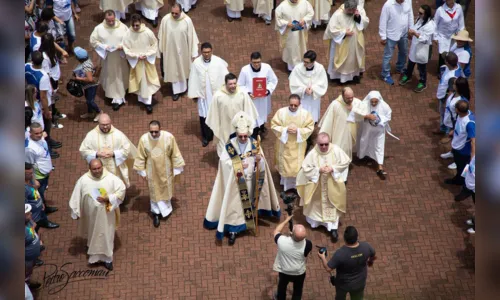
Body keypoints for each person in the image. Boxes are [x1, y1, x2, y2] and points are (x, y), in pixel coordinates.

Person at [204, 112, 281, 245]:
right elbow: (223, 163)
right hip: (235, 184)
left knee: (251, 202)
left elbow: (262, 164)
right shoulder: (230, 146)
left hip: (251, 181)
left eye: (246, 136)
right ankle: (234, 230)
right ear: (237, 134)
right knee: (236, 206)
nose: (244, 138)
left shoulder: (254, 144)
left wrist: (259, 160)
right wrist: (237, 165)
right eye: (241, 136)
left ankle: (250, 222)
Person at [69, 159, 126, 271]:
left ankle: (107, 259)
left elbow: (122, 190)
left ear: (102, 166)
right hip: (91, 216)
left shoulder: (110, 178)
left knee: (106, 236)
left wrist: (108, 198)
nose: (97, 171)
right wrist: (76, 211)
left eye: (99, 168)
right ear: (90, 169)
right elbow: (76, 196)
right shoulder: (83, 180)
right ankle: (94, 255)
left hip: (107, 216)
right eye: (94, 169)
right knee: (92, 234)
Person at [296, 133, 351, 242]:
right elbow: (305, 168)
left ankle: (333, 228)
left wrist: (333, 168)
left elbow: (346, 161)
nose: (324, 147)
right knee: (317, 205)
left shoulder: (335, 150)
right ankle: (316, 223)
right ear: (317, 143)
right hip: (318, 186)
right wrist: (318, 170)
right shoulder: (313, 153)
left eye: (326, 144)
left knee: (332, 204)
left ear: (329, 142)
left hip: (332, 184)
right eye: (321, 145)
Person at [134, 120, 185, 228]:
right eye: (151, 132)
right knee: (154, 192)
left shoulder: (168, 137)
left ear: (160, 129)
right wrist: (142, 172)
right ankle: (156, 213)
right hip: (151, 171)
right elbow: (140, 156)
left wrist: (176, 168)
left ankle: (166, 209)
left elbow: (175, 152)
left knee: (165, 189)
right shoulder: (144, 139)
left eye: (156, 132)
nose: (153, 134)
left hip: (166, 170)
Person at [206, 73, 259, 156]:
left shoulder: (242, 94)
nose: (233, 86)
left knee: (240, 149)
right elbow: (214, 114)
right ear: (226, 84)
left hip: (239, 127)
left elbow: (249, 112)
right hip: (225, 128)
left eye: (234, 83)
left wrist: (247, 126)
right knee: (225, 150)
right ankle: (226, 166)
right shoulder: (218, 96)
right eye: (230, 84)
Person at [79, 113, 138, 189]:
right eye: (103, 125)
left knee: (117, 186)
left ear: (111, 122)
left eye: (107, 124)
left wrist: (114, 154)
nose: (105, 127)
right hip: (99, 168)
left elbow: (127, 149)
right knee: (101, 187)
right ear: (99, 123)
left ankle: (118, 200)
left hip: (115, 167)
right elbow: (83, 150)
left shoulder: (118, 134)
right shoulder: (91, 135)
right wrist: (97, 154)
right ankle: (104, 200)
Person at [187, 42, 229, 147]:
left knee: (217, 115)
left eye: (208, 52)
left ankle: (217, 134)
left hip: (215, 94)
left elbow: (225, 75)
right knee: (204, 116)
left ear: (212, 51)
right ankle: (206, 137)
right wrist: (194, 94)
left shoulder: (218, 62)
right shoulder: (196, 63)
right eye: (204, 52)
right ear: (201, 52)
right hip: (203, 96)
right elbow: (193, 78)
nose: (206, 54)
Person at [318, 226, 376, 300]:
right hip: (360, 282)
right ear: (357, 237)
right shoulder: (366, 247)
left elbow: (328, 268)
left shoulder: (340, 253)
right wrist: (370, 262)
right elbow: (373, 254)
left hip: (343, 284)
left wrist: (322, 257)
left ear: (345, 239)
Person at [271, 94, 314, 191]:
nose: (293, 107)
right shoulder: (281, 113)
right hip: (284, 145)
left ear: (300, 104)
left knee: (297, 166)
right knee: (285, 166)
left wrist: (298, 131)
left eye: (295, 105)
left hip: (298, 146)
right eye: (291, 105)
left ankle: (295, 186)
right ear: (288, 103)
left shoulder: (305, 114)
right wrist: (285, 130)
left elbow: (310, 127)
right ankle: (286, 185)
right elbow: (274, 125)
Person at [318, 87, 363, 181]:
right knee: (337, 155)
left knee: (345, 155)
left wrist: (354, 109)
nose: (351, 100)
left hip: (348, 135)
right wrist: (324, 135)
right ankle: (337, 176)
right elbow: (328, 121)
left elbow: (363, 114)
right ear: (342, 96)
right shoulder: (335, 105)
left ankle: (343, 177)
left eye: (352, 97)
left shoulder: (356, 103)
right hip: (337, 135)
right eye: (348, 98)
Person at [158, 3, 199, 101]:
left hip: (184, 51)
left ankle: (186, 86)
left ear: (181, 11)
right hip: (170, 51)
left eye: (176, 13)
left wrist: (193, 53)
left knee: (184, 68)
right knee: (173, 69)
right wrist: (161, 50)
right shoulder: (166, 20)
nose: (174, 15)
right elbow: (161, 36)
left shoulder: (187, 21)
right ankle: (176, 91)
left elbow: (192, 38)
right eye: (172, 13)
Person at [90, 10, 130, 111]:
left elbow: (129, 39)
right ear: (105, 19)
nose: (111, 23)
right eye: (109, 21)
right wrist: (104, 46)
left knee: (121, 74)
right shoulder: (99, 28)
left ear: (115, 17)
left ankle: (122, 92)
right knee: (110, 76)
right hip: (108, 58)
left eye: (112, 20)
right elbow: (93, 41)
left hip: (120, 57)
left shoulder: (122, 27)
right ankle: (114, 97)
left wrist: (122, 46)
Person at [25, 51, 62, 158]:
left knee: (45, 129)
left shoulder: (26, 66)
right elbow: (43, 96)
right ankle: (48, 149)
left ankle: (49, 141)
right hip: (40, 105)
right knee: (45, 128)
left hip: (33, 100)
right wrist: (47, 111)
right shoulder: (43, 75)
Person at [324, 0, 369, 84]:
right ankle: (338, 77)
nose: (351, 12)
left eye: (353, 10)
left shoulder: (359, 10)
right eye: (349, 11)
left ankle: (354, 75)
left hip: (354, 42)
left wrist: (358, 17)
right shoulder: (337, 14)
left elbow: (365, 21)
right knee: (341, 59)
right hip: (341, 42)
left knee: (353, 58)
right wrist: (344, 32)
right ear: (345, 7)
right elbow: (332, 30)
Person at [123, 14, 161, 113]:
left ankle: (148, 103)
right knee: (138, 80)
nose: (135, 27)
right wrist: (135, 56)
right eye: (133, 25)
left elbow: (154, 44)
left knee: (146, 81)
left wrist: (147, 54)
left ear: (141, 23)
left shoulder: (148, 32)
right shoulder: (128, 34)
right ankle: (141, 98)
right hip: (136, 60)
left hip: (146, 61)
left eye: (137, 25)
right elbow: (125, 47)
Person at [237, 52, 278, 136]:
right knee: (252, 117)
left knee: (262, 114)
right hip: (252, 99)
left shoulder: (267, 68)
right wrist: (248, 93)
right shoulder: (245, 70)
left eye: (258, 62)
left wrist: (268, 90)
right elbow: (240, 85)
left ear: (261, 60)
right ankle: (254, 133)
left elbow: (273, 80)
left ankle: (262, 127)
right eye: (254, 62)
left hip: (263, 99)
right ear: (250, 61)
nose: (256, 64)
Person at [273, 214, 312, 300]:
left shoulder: (282, 241)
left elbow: (276, 230)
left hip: (284, 271)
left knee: (281, 288)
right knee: (298, 290)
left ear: (291, 233)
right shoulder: (308, 244)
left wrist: (286, 220)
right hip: (299, 272)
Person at [356, 91, 393, 178]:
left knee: (378, 146)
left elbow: (388, 116)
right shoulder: (364, 105)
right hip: (367, 130)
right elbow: (357, 115)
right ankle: (363, 156)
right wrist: (367, 116)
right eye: (372, 101)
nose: (373, 103)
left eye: (375, 102)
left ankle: (380, 167)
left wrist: (379, 120)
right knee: (365, 142)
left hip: (378, 131)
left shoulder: (384, 106)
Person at [399, 4, 435, 93]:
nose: (418, 14)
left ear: (426, 14)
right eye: (418, 12)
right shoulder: (419, 19)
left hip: (422, 48)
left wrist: (414, 34)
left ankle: (423, 82)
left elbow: (425, 38)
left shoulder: (430, 25)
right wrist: (411, 34)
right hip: (415, 46)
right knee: (411, 62)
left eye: (421, 13)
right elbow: (415, 29)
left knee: (422, 66)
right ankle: (408, 75)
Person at [25, 122, 58, 214]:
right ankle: (43, 218)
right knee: (39, 196)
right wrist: (33, 181)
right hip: (39, 177)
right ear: (30, 133)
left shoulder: (40, 138)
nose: (39, 135)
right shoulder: (30, 149)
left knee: (42, 194)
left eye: (41, 132)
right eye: (36, 133)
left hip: (45, 172)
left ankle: (45, 208)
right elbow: (28, 167)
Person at [379, 0, 413, 85]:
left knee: (404, 52)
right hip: (391, 35)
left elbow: (410, 15)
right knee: (388, 56)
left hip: (404, 33)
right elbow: (383, 20)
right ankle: (385, 74)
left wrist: (411, 29)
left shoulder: (408, 1)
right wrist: (383, 36)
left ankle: (400, 68)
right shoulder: (388, 4)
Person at [289, 50, 328, 123]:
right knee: (301, 118)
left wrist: (312, 89)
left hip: (313, 97)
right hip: (303, 97)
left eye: (307, 62)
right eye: (304, 61)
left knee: (312, 117)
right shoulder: (298, 68)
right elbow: (293, 82)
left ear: (313, 62)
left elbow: (323, 83)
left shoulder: (320, 68)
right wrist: (304, 89)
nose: (304, 64)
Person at [275, 0, 314, 72]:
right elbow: (278, 19)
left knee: (301, 47)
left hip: (301, 32)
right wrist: (286, 23)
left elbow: (310, 13)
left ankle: (301, 63)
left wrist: (304, 20)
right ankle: (291, 68)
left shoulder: (304, 3)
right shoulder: (282, 6)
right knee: (291, 49)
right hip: (289, 33)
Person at [441, 76, 470, 169]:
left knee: (457, 141)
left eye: (454, 83)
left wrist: (454, 128)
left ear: (458, 87)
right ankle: (452, 153)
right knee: (454, 140)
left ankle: (456, 160)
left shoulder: (461, 101)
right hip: (450, 121)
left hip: (456, 123)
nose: (452, 84)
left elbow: (460, 116)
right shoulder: (454, 94)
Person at [444, 100, 475, 186]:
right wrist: (453, 131)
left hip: (463, 151)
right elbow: (459, 123)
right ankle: (458, 179)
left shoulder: (470, 124)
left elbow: (473, 141)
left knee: (464, 169)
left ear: (457, 110)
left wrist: (472, 158)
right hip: (457, 147)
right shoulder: (462, 114)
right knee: (459, 166)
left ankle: (464, 186)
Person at [40, 33, 65, 129]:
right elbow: (47, 74)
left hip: (55, 79)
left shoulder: (51, 52)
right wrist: (51, 87)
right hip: (51, 82)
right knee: (51, 101)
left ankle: (56, 113)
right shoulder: (44, 58)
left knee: (54, 101)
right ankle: (53, 121)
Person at [434, 0, 464, 75]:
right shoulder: (440, 10)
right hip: (443, 36)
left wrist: (461, 34)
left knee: (452, 54)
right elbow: (435, 24)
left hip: (454, 36)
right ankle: (440, 72)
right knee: (443, 55)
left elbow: (461, 23)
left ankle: (451, 71)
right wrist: (435, 37)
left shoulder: (458, 8)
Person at [25, 163, 59, 229]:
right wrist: (31, 222)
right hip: (33, 216)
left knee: (42, 218)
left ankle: (45, 222)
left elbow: (35, 190)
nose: (32, 175)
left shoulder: (29, 179)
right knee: (36, 229)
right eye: (29, 174)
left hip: (39, 209)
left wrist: (41, 202)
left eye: (32, 173)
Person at [73, 46, 103, 121]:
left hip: (91, 86)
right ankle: (90, 112)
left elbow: (90, 79)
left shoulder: (86, 66)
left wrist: (79, 78)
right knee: (87, 99)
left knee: (90, 101)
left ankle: (99, 112)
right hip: (87, 86)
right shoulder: (86, 60)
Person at [436, 52, 463, 134]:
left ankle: (447, 133)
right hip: (442, 94)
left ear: (447, 62)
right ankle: (442, 128)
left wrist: (446, 103)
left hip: (446, 97)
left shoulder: (453, 77)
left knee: (447, 115)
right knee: (442, 114)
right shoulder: (453, 66)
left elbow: (452, 91)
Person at [25, 204, 43, 291]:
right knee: (25, 274)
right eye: (28, 214)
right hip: (26, 260)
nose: (31, 214)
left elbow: (34, 226)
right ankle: (26, 287)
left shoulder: (27, 221)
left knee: (29, 272)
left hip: (32, 257)